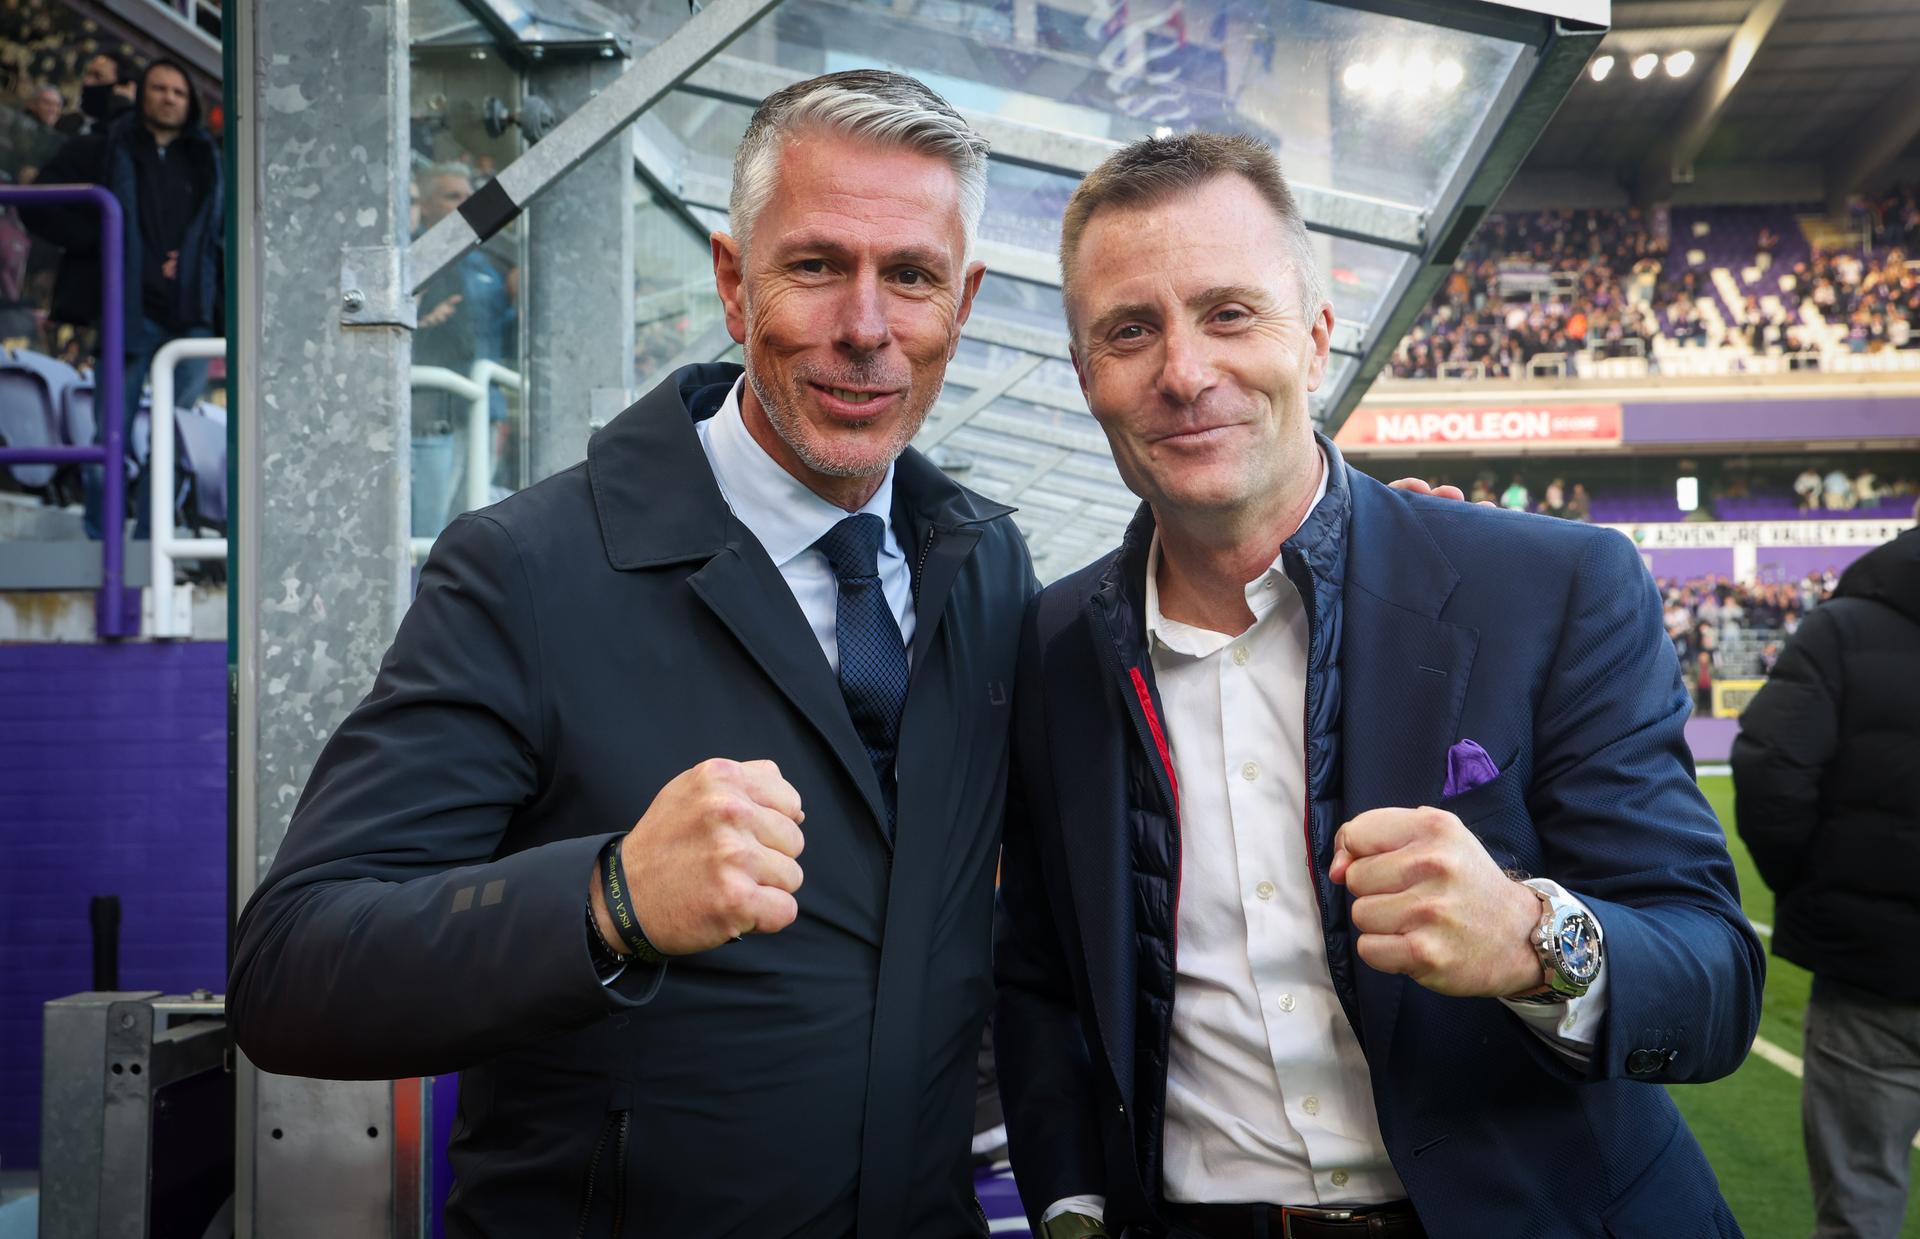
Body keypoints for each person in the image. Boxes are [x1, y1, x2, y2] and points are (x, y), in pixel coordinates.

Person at [229, 70, 1036, 1237]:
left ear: (961, 301)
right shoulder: (529, 572)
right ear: (731, 281)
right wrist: (605, 902)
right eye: (815, 266)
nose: (865, 328)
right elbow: (292, 974)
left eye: (909, 276)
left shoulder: (988, 569)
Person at [994, 133, 1761, 1239]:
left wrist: (1529, 941)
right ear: (1085, 375)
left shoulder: (1550, 589)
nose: (1183, 370)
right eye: (1129, 330)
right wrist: (1070, 1201)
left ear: (1314, 335)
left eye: (1229, 312)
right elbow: (1041, 976)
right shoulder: (1051, 644)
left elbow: (1716, 977)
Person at [1731, 526, 1920, 1239]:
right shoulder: (1842, 625)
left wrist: (1814, 889)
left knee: (1857, 1208)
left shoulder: (1843, 626)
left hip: (1869, 970)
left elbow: (1771, 772)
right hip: (1867, 966)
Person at [20, 58, 222, 540]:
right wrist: (105, 241)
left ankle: (150, 543)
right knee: (110, 433)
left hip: (191, 316)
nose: (168, 98)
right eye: (159, 88)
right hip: (125, 313)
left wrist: (194, 263)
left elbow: (222, 233)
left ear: (189, 102)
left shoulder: (209, 159)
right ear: (141, 94)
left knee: (173, 437)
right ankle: (102, 540)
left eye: (178, 91)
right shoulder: (105, 148)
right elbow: (35, 203)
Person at [409, 161, 516, 538]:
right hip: (431, 409)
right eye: (452, 196)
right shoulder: (413, 257)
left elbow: (506, 338)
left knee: (470, 523)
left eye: (469, 196)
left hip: (483, 406)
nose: (464, 204)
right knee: (429, 527)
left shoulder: (490, 261)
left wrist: (518, 300)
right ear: (425, 204)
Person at [57, 52, 138, 136]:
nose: (87, 81)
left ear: (121, 87)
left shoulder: (120, 134)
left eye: (98, 76)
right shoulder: (68, 122)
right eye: (88, 73)